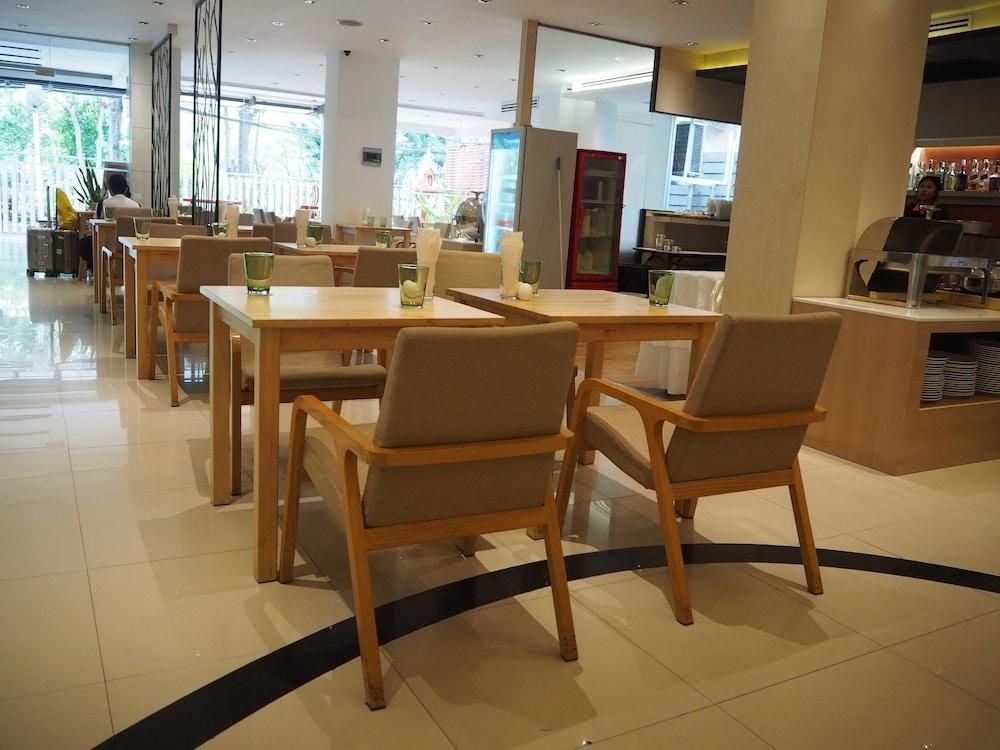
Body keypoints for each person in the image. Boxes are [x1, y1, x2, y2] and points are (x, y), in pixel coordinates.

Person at [78, 173, 140, 278]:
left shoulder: (103, 204)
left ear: (110, 189)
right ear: (126, 189)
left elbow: (93, 226)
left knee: (85, 243)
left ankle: (97, 272)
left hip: (106, 244)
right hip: (130, 245)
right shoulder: (136, 205)